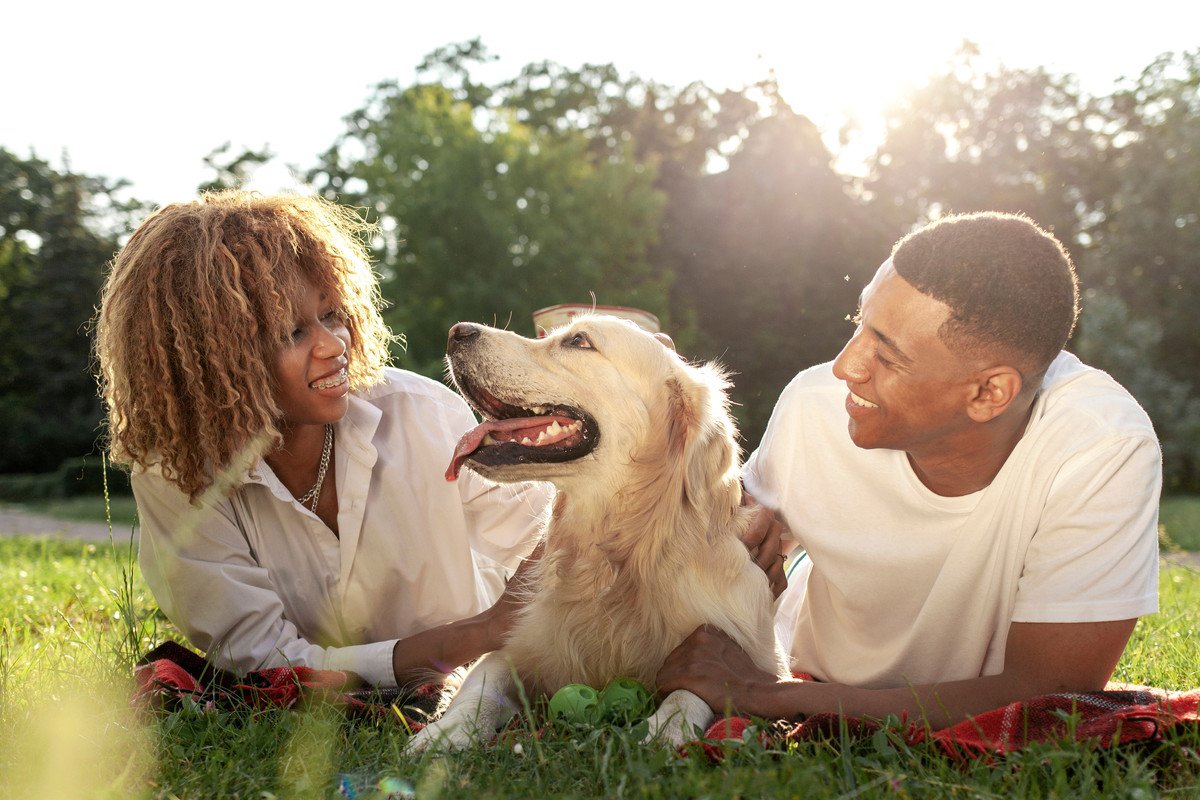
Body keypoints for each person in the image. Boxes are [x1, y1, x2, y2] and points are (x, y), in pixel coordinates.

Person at [96, 190, 786, 690]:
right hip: (460, 664)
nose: (335, 346)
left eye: (334, 314)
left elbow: (577, 519)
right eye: (294, 333)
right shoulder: (174, 473)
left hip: (484, 681)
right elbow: (261, 656)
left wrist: (724, 503)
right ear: (212, 361)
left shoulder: (423, 415)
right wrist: (475, 636)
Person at [657, 212, 1162, 727]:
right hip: (810, 659)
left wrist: (766, 696)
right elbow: (727, 546)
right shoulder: (815, 405)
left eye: (888, 355)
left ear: (988, 393)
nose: (845, 367)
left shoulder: (1101, 446)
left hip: (809, 692)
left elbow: (1049, 693)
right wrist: (741, 526)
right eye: (860, 326)